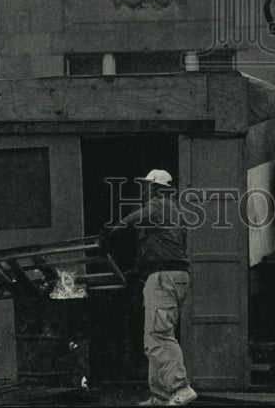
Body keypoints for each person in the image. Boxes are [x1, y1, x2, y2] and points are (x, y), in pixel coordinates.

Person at [100, 169, 197, 407]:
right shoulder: (174, 212)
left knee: (159, 335)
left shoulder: (159, 205)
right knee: (153, 338)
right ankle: (162, 396)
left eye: (147, 186)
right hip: (169, 275)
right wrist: (137, 271)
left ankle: (180, 388)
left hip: (164, 277)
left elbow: (133, 218)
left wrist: (112, 233)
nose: (144, 190)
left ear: (155, 188)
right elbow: (161, 248)